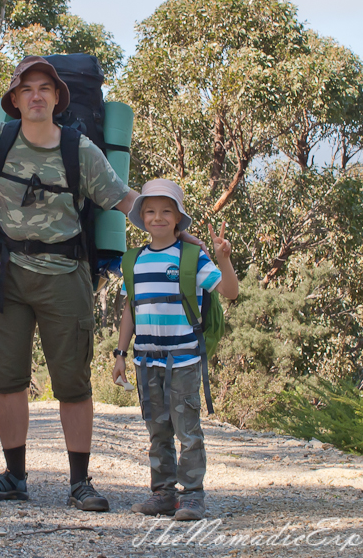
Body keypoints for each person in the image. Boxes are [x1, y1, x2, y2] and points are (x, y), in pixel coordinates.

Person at [0, 57, 205, 511]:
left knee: (73, 382)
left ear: (58, 98)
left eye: (45, 88)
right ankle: (15, 476)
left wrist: (170, 226)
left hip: (65, 275)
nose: (37, 96)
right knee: (7, 381)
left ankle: (80, 482)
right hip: (7, 275)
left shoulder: (80, 150)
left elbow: (124, 198)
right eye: (27, 90)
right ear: (15, 100)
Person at [112, 179, 239, 521]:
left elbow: (230, 291)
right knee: (157, 429)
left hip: (183, 359)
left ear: (178, 218)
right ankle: (164, 493)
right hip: (146, 360)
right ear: (141, 218)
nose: (157, 218)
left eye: (166, 211)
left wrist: (224, 259)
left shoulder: (192, 258)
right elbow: (130, 310)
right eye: (150, 211)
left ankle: (193, 494)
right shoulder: (134, 261)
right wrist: (120, 354)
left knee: (187, 428)